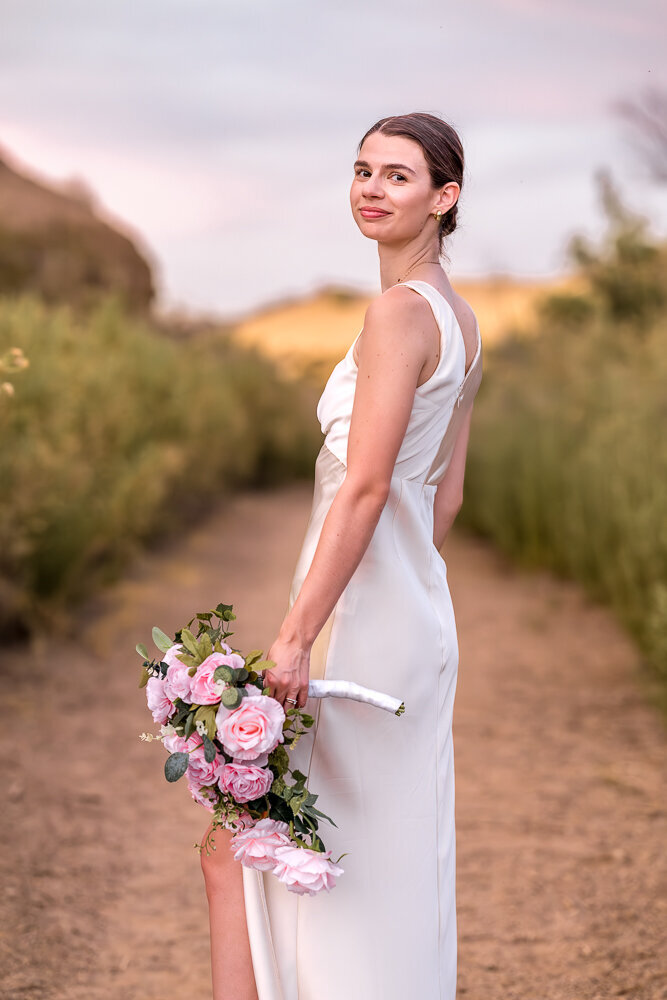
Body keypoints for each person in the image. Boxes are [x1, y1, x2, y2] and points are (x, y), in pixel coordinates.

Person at [200, 111, 483, 1000]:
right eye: (362, 169)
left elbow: (364, 489)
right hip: (406, 619)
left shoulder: (398, 314)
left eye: (398, 176)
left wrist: (296, 633)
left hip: (357, 628)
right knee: (353, 858)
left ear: (445, 197)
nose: (370, 187)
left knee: (250, 846)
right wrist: (395, 583)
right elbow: (445, 496)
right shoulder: (460, 319)